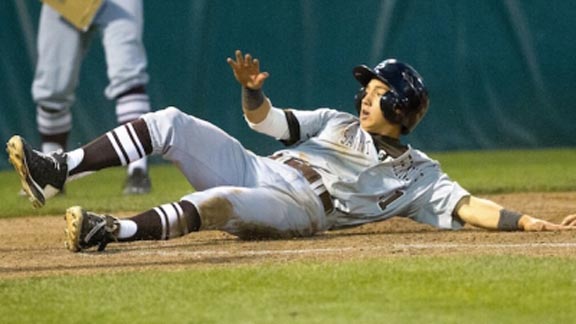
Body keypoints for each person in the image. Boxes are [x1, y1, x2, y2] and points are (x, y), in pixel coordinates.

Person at [7, 50, 576, 253]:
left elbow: (467, 206)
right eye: (366, 90)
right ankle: (57, 170)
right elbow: (267, 122)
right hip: (267, 166)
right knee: (171, 121)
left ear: (402, 111)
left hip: (306, 207)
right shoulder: (334, 120)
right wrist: (253, 93)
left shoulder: (420, 175)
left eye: (377, 94)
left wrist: (533, 223)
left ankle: (112, 232)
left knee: (219, 202)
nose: (364, 97)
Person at [31, 0, 151, 194]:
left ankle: (138, 170)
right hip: (65, 3)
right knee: (52, 88)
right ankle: (49, 172)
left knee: (128, 75)